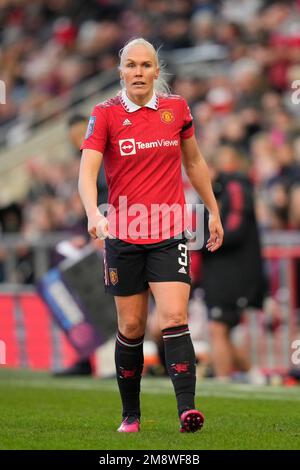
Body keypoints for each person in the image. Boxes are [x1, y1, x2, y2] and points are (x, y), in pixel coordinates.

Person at [78, 38, 223, 433]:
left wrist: (212, 209)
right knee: (131, 328)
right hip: (124, 233)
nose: (138, 72)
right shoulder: (104, 114)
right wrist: (94, 212)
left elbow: (194, 161)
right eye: (131, 65)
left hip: (170, 230)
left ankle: (187, 411)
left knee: (175, 316)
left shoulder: (176, 109)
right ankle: (131, 415)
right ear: (120, 71)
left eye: (146, 65)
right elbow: (87, 171)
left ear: (157, 71)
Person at [201, 146, 266, 380]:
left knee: (218, 328)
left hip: (233, 271)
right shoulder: (211, 192)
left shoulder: (235, 186)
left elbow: (235, 227)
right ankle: (255, 375)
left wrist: (206, 239)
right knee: (222, 330)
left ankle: (222, 381)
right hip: (218, 270)